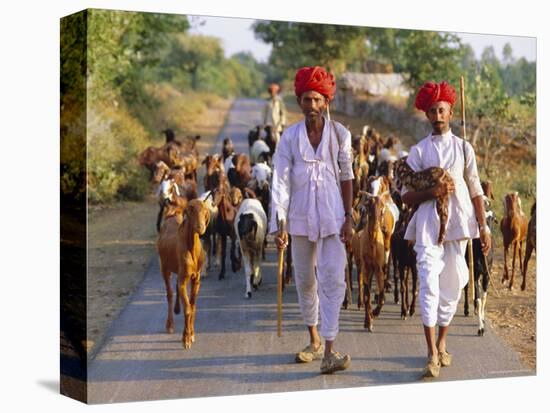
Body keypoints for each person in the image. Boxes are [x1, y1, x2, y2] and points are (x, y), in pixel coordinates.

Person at [400, 81, 491, 379]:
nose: (437, 116)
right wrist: (432, 192)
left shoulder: (464, 148)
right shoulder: (418, 152)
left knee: (453, 284)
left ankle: (442, 343)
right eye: (432, 111)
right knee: (428, 285)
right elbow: (405, 195)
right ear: (426, 115)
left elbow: (475, 188)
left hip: (459, 223)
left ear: (451, 112)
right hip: (427, 225)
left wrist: (483, 226)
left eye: (442, 110)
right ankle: (430, 354)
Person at [270, 66, 354, 374]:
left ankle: (330, 349)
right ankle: (314, 339)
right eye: (306, 100)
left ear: (326, 101)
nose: (312, 106)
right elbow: (279, 181)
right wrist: (279, 224)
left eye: (317, 100)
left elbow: (347, 176)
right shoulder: (289, 138)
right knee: (305, 281)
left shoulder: (339, 135)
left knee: (333, 280)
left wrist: (348, 216)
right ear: (300, 102)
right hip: (300, 219)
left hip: (333, 219)